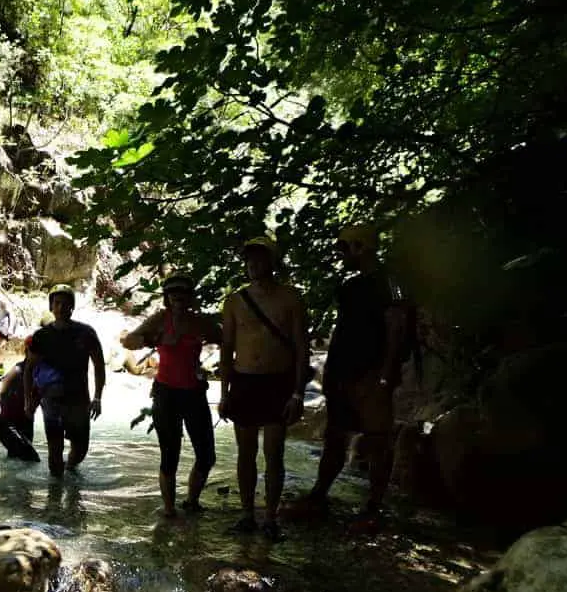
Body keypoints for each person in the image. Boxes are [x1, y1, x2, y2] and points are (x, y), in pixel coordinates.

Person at [294, 224, 408, 533]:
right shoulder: (349, 287)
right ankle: (319, 495)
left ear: (361, 247)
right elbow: (343, 330)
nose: (341, 254)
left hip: (371, 375)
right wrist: (330, 370)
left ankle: (373, 506)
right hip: (342, 373)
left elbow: (396, 329)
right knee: (335, 437)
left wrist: (385, 376)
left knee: (376, 440)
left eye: (345, 248)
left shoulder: (390, 284)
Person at [218, 237, 307, 541]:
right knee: (246, 453)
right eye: (249, 259)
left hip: (277, 382)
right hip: (244, 381)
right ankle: (246, 514)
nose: (253, 264)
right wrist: (224, 393)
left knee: (274, 452)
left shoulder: (290, 299)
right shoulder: (234, 301)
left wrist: (297, 393)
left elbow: (301, 348)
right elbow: (226, 348)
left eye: (259, 258)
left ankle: (270, 517)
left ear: (272, 262)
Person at [121, 274, 224, 519]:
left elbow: (226, 339)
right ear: (167, 297)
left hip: (194, 393)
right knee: (170, 454)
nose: (178, 296)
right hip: (166, 393)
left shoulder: (200, 322)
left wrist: (215, 368)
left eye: (183, 292)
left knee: (206, 454)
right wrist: (154, 339)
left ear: (190, 297)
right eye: (173, 292)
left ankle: (191, 501)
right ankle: (169, 510)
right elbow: (128, 341)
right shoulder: (159, 319)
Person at [24, 284, 105, 478]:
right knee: (54, 448)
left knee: (81, 448)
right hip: (51, 399)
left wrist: (98, 398)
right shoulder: (41, 336)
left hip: (78, 399)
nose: (60, 307)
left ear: (72, 307)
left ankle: (70, 471)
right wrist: (28, 401)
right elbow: (29, 369)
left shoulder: (86, 333)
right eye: (57, 303)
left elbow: (99, 366)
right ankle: (55, 497)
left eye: (65, 303)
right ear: (51, 306)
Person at [0, 339, 41, 462]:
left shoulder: (42, 373)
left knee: (17, 461)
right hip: (8, 424)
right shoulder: (17, 371)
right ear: (27, 351)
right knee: (32, 459)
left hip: (26, 424)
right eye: (34, 351)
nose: (38, 355)